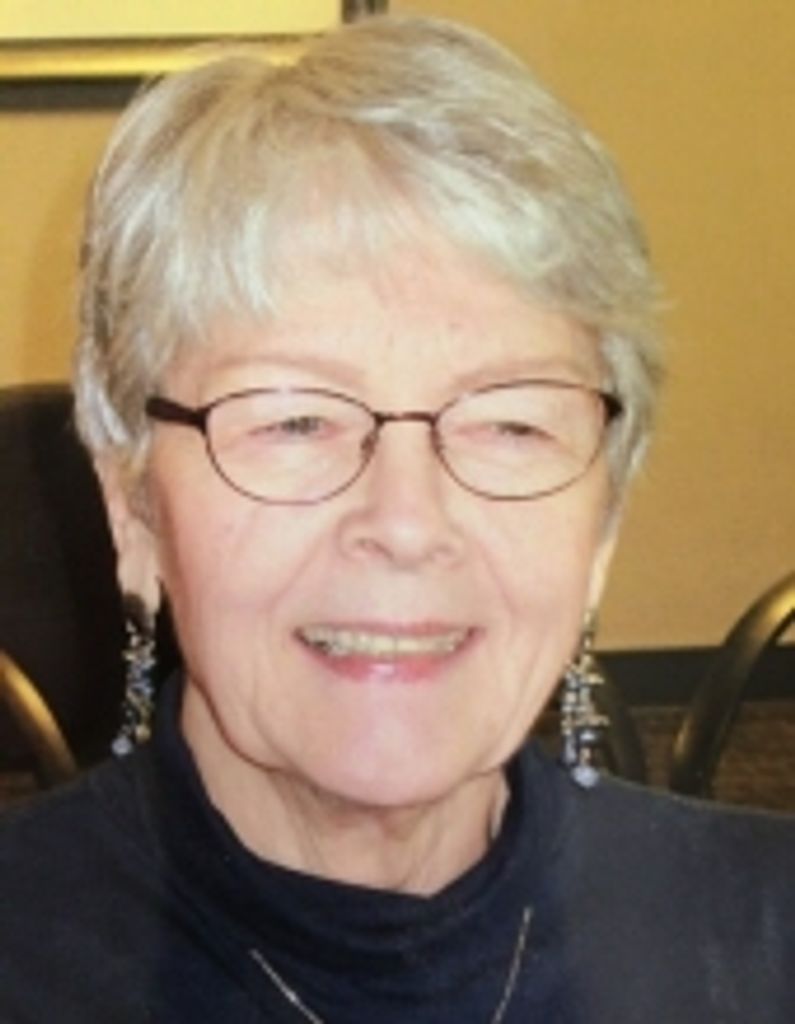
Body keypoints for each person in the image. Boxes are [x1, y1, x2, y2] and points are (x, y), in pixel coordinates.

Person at [0, 13, 793, 1023]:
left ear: (602, 521)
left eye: (509, 422)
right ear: (133, 509)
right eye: (295, 419)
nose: (407, 521)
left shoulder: (767, 934)